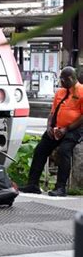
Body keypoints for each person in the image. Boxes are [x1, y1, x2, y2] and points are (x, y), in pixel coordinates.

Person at [19, 66, 83, 197]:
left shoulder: (81, 91)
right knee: (40, 149)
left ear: (70, 78)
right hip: (56, 128)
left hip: (73, 129)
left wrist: (67, 129)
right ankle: (33, 184)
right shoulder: (60, 92)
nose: (61, 82)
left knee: (64, 151)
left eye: (62, 80)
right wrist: (49, 127)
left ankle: (60, 187)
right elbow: (52, 112)